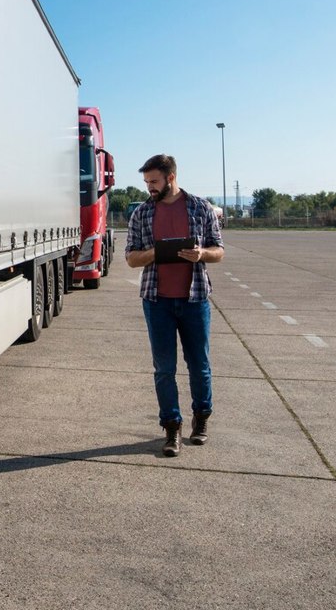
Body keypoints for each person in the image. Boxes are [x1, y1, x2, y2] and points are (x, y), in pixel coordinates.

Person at [125, 154, 224, 456]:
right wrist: (155, 252)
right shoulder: (142, 214)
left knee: (199, 366)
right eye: (146, 183)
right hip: (157, 303)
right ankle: (172, 428)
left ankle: (202, 417)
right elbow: (131, 258)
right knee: (164, 369)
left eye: (153, 182)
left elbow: (219, 250)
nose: (149, 188)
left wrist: (201, 254)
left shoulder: (200, 207)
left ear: (170, 177)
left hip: (194, 300)